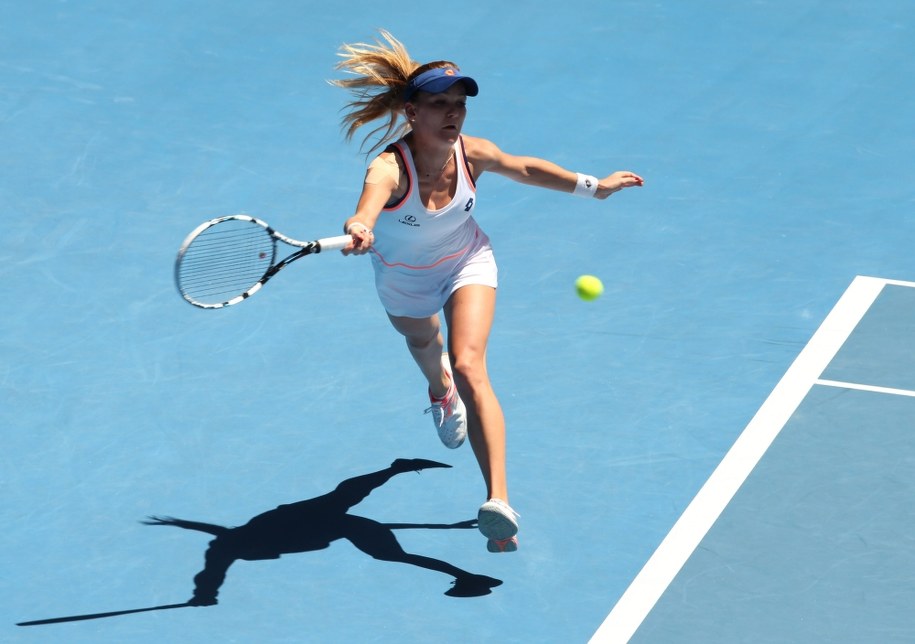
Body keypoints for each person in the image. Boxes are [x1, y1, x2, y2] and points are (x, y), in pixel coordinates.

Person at [332, 30, 643, 553]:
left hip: (465, 261)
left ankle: (497, 501)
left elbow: (524, 167)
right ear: (412, 113)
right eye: (439, 104)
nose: (454, 114)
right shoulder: (388, 169)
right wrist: (361, 226)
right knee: (425, 348)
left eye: (460, 104)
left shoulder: (472, 154)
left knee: (471, 364)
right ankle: (438, 388)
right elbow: (366, 207)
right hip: (403, 279)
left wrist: (597, 186)